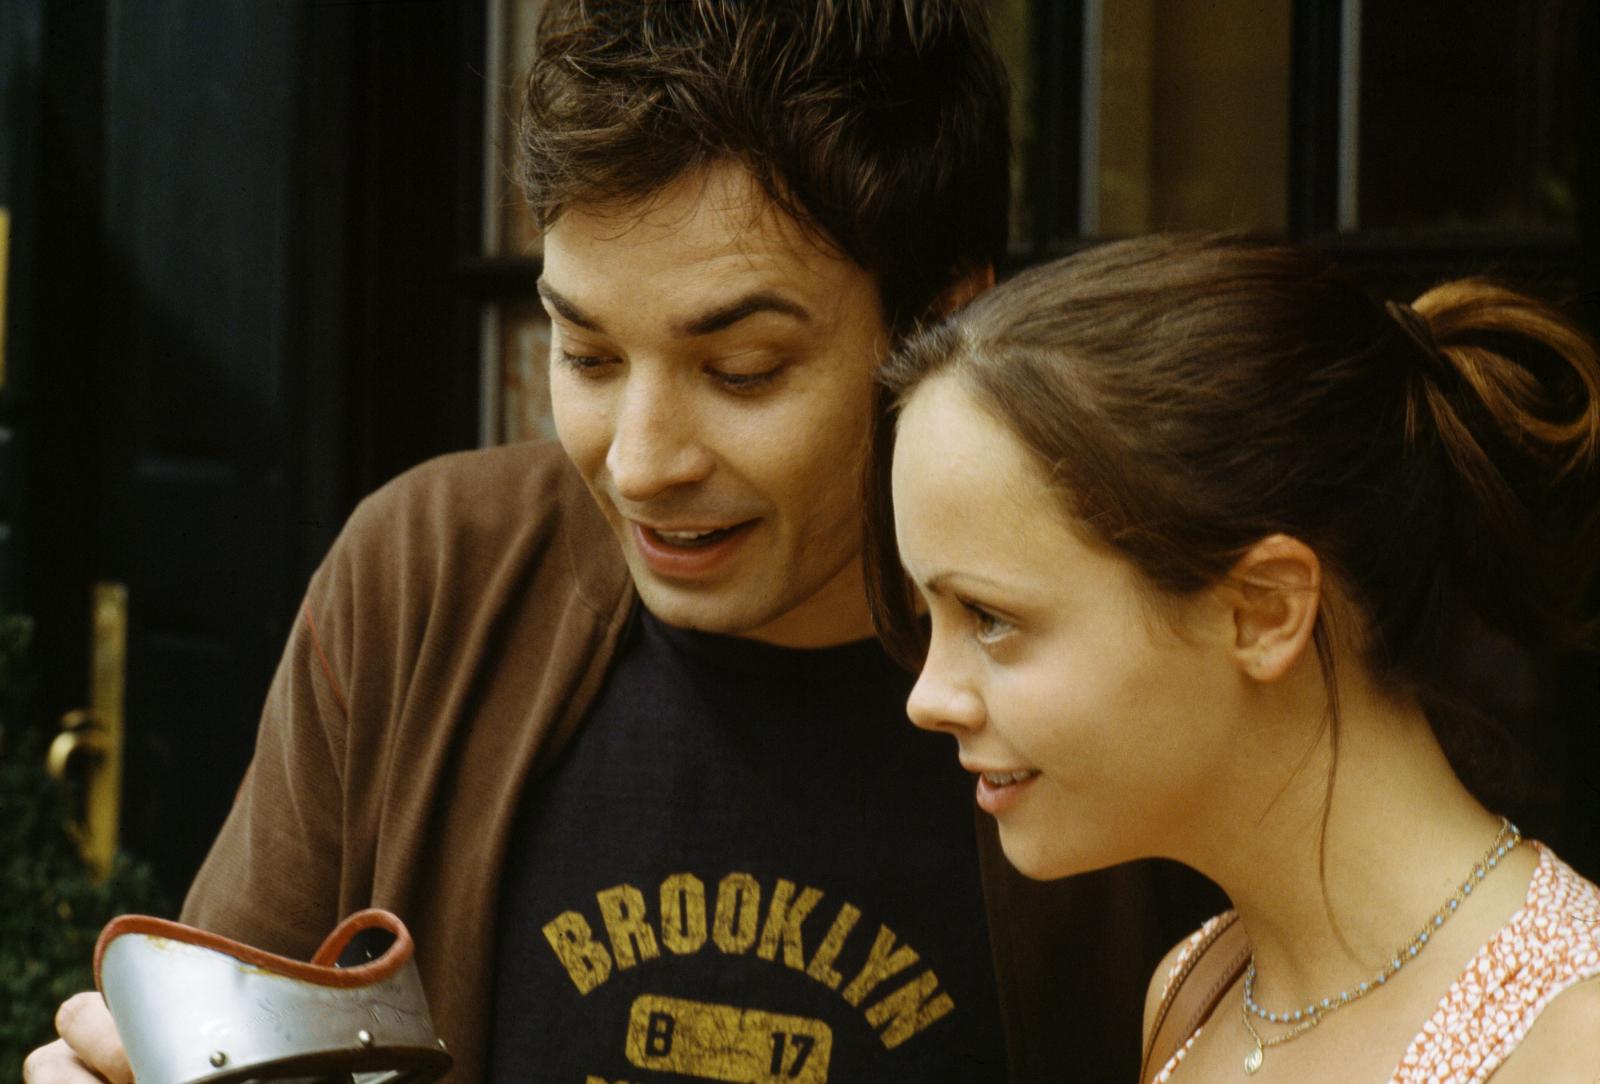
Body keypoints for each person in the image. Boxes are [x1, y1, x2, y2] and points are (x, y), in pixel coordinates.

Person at [26, 4, 1207, 1082]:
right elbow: (219, 1039)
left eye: (741, 370)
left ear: (941, 325)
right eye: (586, 355)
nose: (640, 463)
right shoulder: (426, 575)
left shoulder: (1136, 651)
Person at [868, 232, 1600, 1082]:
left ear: (1264, 611)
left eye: (990, 617)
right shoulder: (1193, 992)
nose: (927, 697)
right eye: (929, 615)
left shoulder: (1570, 1043)